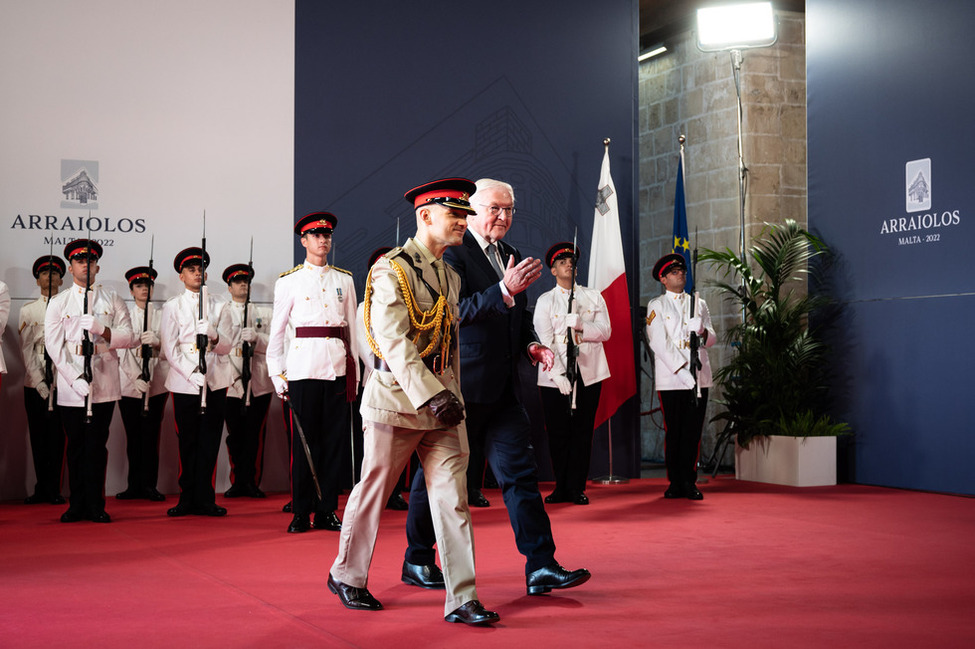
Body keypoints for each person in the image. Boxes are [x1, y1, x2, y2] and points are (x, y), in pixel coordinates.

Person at [403, 178, 591, 596]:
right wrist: (503, 291)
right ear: (471, 210)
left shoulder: (510, 254)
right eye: (494, 209)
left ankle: (541, 565)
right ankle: (417, 557)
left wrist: (531, 344)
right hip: (460, 388)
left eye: (509, 210)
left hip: (505, 390)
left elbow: (518, 316)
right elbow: (451, 314)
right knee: (434, 481)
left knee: (521, 477)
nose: (503, 217)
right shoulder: (450, 254)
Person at [329, 177, 498, 626]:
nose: (465, 221)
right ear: (425, 216)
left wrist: (453, 395)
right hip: (397, 402)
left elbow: (450, 346)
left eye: (466, 214)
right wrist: (436, 394)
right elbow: (392, 343)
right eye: (455, 214)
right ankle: (347, 574)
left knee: (452, 500)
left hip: (444, 405)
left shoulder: (449, 274)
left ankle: (462, 597)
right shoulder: (391, 269)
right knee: (374, 491)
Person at [266, 212, 358, 534]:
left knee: (333, 444)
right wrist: (278, 374)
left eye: (327, 235)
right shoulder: (289, 281)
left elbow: (353, 333)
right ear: (303, 241)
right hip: (302, 370)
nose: (323, 240)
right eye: (316, 235)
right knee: (305, 445)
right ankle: (301, 511)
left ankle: (327, 510)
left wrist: (354, 373)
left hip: (335, 369)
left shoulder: (344, 280)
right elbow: (277, 334)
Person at [45, 239, 135, 523]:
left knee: (97, 444)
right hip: (73, 385)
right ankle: (76, 503)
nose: (86, 265)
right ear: (70, 267)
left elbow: (129, 336)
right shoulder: (59, 302)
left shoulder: (112, 298)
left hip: (105, 379)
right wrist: (73, 379)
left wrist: (103, 330)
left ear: (98, 266)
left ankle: (96, 503)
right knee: (75, 445)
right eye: (80, 261)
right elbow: (53, 346)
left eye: (91, 261)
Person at [533, 242, 611, 505]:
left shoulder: (594, 296)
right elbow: (545, 341)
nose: (569, 263)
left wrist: (581, 325)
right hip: (555, 376)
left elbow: (605, 331)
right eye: (563, 261)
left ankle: (577, 487)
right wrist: (557, 375)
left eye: (572, 260)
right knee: (557, 432)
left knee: (582, 431)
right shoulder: (546, 301)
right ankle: (560, 487)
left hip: (588, 372)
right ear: (553, 270)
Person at [160, 247, 233, 517]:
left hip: (214, 380)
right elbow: (169, 348)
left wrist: (214, 336)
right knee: (187, 440)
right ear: (181, 276)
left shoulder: (220, 304)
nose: (197, 272)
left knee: (210, 440)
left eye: (200, 268)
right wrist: (191, 374)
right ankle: (186, 497)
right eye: (191, 269)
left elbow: (228, 345)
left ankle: (206, 497)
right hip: (184, 382)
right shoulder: (172, 306)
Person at [645, 252, 716, 500]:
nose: (681, 275)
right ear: (663, 279)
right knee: (674, 430)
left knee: (692, 431)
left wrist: (703, 330)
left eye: (683, 271)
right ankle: (675, 481)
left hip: (699, 377)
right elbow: (659, 343)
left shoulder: (699, 303)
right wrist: (682, 371)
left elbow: (712, 339)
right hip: (673, 378)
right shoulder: (657, 305)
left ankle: (689, 480)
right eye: (675, 272)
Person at [355, 246, 410, 511]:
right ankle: (374, 496)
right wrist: (395, 371)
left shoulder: (409, 305)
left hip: (409, 385)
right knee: (378, 448)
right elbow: (367, 350)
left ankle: (396, 491)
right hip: (379, 382)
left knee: (402, 445)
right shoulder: (364, 307)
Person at [116, 265, 169, 502]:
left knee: (150, 436)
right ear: (131, 290)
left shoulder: (162, 315)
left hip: (156, 384)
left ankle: (149, 485)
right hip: (129, 385)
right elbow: (119, 351)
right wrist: (135, 376)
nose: (144, 289)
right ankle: (133, 485)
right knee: (133, 436)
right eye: (139, 286)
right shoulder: (123, 315)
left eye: (148, 285)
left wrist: (158, 344)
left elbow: (173, 348)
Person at [222, 263, 273, 499]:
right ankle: (237, 480)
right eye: (238, 282)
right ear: (229, 287)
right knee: (235, 435)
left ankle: (251, 481)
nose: (243, 285)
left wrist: (258, 338)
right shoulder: (222, 311)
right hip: (230, 381)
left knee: (255, 435)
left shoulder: (263, 313)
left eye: (246, 281)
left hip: (258, 381)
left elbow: (276, 345)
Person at [20, 255, 67, 505]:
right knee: (38, 437)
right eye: (45, 273)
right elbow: (26, 348)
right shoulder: (28, 310)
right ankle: (41, 488)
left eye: (55, 273)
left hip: (62, 379)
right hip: (34, 383)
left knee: (58, 437)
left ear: (61, 278)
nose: (50, 277)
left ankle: (55, 489)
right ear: (38, 280)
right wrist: (38, 380)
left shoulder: (67, 307)